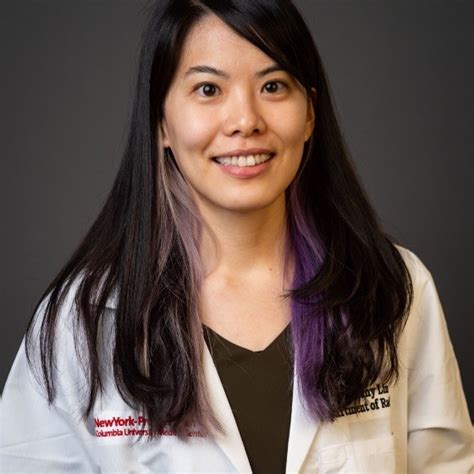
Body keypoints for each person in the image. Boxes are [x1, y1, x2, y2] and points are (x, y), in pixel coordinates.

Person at [1, 0, 472, 472]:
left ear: (310, 114)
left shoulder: (393, 289)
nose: (246, 120)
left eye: (273, 86)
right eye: (208, 89)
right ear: (160, 121)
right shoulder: (81, 321)